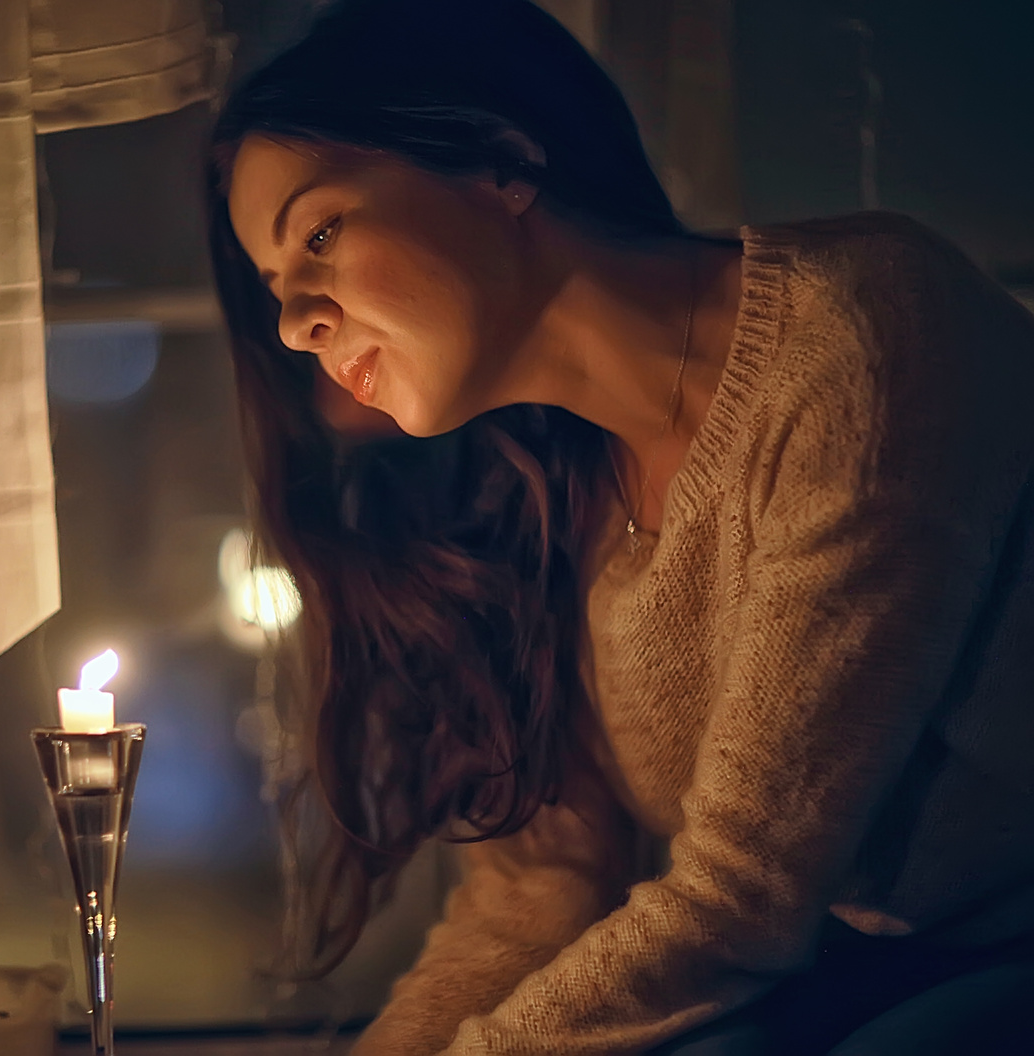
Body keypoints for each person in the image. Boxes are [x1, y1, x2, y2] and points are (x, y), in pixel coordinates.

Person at [202, 1, 1034, 1053]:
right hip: (841, 979)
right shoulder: (546, 486)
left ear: (502, 163)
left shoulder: (858, 343)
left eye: (319, 234)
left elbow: (739, 900)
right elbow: (532, 894)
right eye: (277, 286)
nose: (293, 321)